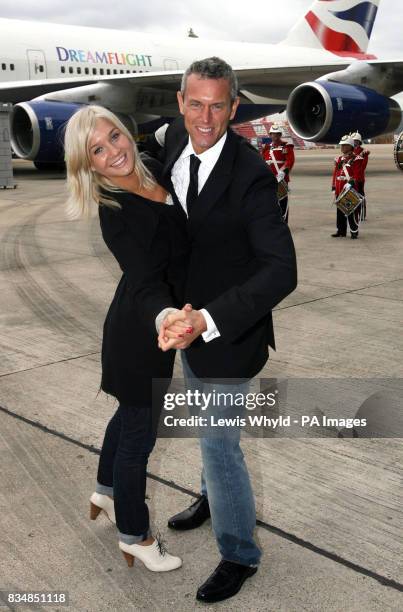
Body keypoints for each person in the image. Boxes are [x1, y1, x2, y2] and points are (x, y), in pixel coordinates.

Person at [153, 57, 297, 603]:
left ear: (234, 107)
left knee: (219, 444)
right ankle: (214, 498)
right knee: (209, 436)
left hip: (228, 335)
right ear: (180, 102)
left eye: (218, 105)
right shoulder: (171, 145)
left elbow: (282, 269)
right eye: (196, 104)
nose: (206, 117)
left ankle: (239, 553)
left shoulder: (252, 175)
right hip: (186, 329)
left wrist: (209, 320)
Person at [64, 105, 189, 572]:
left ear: (125, 132)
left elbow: (180, 127)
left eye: (114, 137)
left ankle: (105, 490)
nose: (113, 152)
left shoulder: (153, 166)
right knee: (140, 434)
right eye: (97, 149)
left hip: (141, 323)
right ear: (88, 164)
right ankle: (135, 535)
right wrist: (165, 316)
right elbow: (142, 281)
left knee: (127, 414)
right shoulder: (115, 211)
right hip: (143, 330)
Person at [262, 124, 295, 223]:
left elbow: (290, 160)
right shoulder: (267, 148)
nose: (274, 136)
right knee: (270, 202)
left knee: (282, 202)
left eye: (277, 134)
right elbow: (263, 162)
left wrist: (283, 171)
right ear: (270, 135)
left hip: (281, 179)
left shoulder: (286, 146)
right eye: (273, 134)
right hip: (269, 179)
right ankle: (273, 222)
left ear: (280, 135)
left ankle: (283, 222)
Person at [331, 135, 362, 239]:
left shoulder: (356, 159)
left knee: (351, 210)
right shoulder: (339, 159)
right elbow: (336, 173)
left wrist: (351, 183)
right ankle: (341, 231)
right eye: (342, 145)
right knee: (340, 211)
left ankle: (354, 231)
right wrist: (334, 187)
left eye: (345, 145)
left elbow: (357, 174)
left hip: (349, 188)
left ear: (350, 146)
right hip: (339, 188)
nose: (342, 147)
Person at [351, 131, 370, 220]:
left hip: (359, 178)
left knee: (360, 196)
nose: (354, 142)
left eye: (356, 141)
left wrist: (364, 156)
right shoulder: (350, 150)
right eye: (353, 140)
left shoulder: (363, 151)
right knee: (352, 196)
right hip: (351, 178)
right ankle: (353, 213)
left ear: (359, 141)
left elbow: (363, 166)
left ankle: (362, 214)